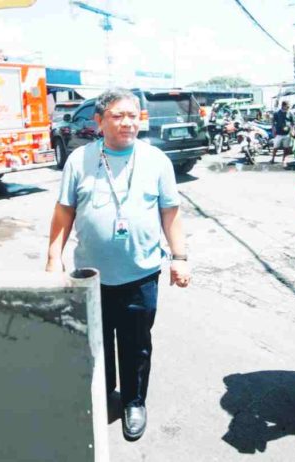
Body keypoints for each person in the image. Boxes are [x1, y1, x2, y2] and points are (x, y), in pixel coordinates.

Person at [45, 88, 191, 442]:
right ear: (99, 121)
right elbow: (64, 211)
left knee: (136, 343)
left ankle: (133, 401)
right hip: (90, 276)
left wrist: (180, 258)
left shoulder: (157, 161)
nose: (127, 122)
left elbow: (170, 212)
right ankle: (103, 393)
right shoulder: (80, 160)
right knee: (95, 342)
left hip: (140, 273)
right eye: (117, 115)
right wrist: (53, 258)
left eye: (133, 115)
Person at [271, 101, 295, 166]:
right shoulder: (277, 113)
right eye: (287, 106)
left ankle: (284, 160)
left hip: (287, 134)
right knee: (275, 147)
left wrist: (292, 131)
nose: (288, 108)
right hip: (278, 133)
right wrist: (273, 131)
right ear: (283, 106)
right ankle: (273, 158)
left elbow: (293, 123)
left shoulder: (290, 113)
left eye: (288, 107)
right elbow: (273, 123)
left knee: (286, 148)